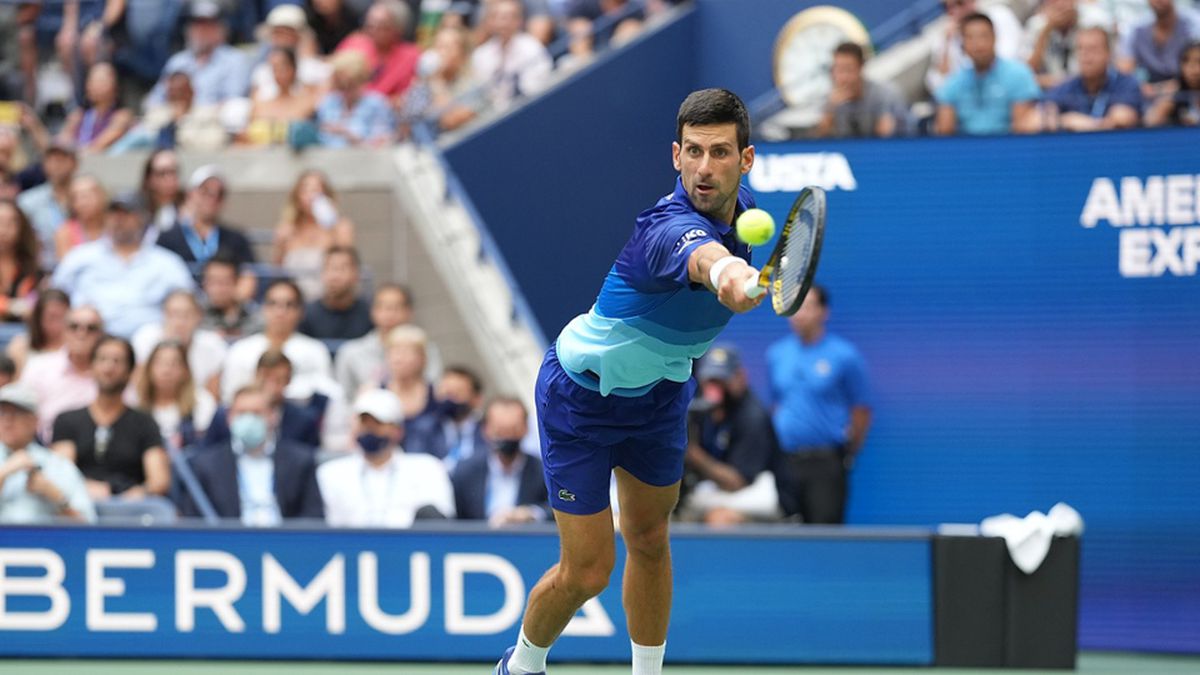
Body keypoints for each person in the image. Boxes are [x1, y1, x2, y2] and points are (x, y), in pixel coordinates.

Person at [494, 89, 764, 675]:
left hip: (662, 397)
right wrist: (731, 275)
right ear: (675, 155)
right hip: (579, 399)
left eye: (720, 152)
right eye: (692, 151)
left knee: (648, 537)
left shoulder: (747, 212)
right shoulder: (663, 227)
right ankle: (520, 666)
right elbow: (704, 261)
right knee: (587, 571)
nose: (703, 168)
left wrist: (738, 269)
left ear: (745, 161)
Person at [766, 286, 872, 525]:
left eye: (808, 305)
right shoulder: (777, 355)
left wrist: (849, 450)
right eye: (795, 305)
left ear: (824, 312)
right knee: (786, 533)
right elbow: (776, 404)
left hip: (826, 463)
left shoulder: (844, 356)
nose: (800, 313)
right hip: (786, 462)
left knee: (824, 533)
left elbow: (861, 409)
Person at [51, 192, 195, 338]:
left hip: (148, 342)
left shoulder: (166, 262)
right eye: (113, 213)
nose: (118, 219)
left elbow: (188, 301)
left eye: (126, 213)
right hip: (90, 336)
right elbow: (54, 296)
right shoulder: (81, 256)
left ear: (142, 219)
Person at [178, 384, 324, 524]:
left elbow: (313, 517)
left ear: (273, 416)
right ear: (229, 418)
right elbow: (194, 522)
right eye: (241, 413)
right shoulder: (206, 465)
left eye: (256, 413)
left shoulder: (300, 461)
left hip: (285, 544)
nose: (248, 420)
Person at [51, 335, 171, 503]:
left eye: (117, 361)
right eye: (102, 359)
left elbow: (159, 480)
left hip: (130, 510)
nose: (109, 367)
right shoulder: (67, 420)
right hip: (78, 507)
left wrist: (135, 494)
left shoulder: (145, 423)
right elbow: (61, 474)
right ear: (91, 366)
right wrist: (89, 490)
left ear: (130, 372)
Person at [317, 388, 456, 527]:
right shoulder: (330, 473)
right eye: (364, 422)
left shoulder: (427, 469)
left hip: (408, 547)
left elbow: (440, 526)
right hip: (345, 547)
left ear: (398, 430)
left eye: (378, 423)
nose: (369, 429)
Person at [679, 345, 780, 527]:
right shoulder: (700, 412)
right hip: (711, 493)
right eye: (711, 381)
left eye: (722, 380)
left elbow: (737, 482)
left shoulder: (752, 417)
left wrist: (693, 454)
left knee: (719, 519)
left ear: (740, 377)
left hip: (755, 497)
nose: (717, 389)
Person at [221, 279, 336, 404]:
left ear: (301, 311)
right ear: (264, 308)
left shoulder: (316, 351)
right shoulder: (241, 350)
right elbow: (229, 396)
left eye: (289, 305)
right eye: (273, 304)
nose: (280, 312)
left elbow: (326, 394)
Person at [157, 165, 258, 302]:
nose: (212, 198)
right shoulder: (168, 238)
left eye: (219, 194)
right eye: (205, 192)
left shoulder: (237, 238)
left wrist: (225, 304)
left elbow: (248, 279)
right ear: (190, 194)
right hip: (180, 312)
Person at [0, 383, 96, 523]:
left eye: (16, 413)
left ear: (34, 421)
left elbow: (87, 526)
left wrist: (56, 496)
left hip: (42, 542)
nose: (7, 421)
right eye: (2, 413)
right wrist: (3, 474)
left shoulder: (57, 465)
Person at [935, 13, 1043, 136]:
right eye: (970, 38)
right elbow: (944, 133)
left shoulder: (1019, 74)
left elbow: (1022, 129)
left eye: (983, 36)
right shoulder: (953, 83)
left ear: (994, 37)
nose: (978, 44)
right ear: (963, 44)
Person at [452, 395, 549, 526]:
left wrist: (530, 513)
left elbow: (556, 510)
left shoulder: (542, 472)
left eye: (513, 430)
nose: (507, 438)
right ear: (485, 429)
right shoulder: (465, 471)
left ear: (525, 429)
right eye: (500, 431)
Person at [334, 283, 442, 397]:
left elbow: (433, 390)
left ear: (409, 312)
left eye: (396, 308)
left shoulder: (426, 350)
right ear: (372, 311)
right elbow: (343, 399)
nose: (389, 315)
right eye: (383, 307)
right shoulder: (351, 353)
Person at [144, 0, 250, 109]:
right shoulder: (178, 61)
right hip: (174, 119)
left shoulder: (235, 60)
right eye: (196, 25)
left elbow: (234, 102)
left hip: (212, 120)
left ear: (221, 29)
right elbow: (154, 99)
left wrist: (195, 112)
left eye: (207, 26)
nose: (200, 31)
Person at [20, 304, 104, 439]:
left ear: (101, 334)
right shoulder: (38, 366)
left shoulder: (110, 372)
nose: (81, 333)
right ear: (64, 330)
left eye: (91, 328)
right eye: (74, 326)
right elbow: (22, 414)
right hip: (45, 449)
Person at [272, 170, 356, 301]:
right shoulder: (286, 229)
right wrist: (280, 243)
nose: (311, 196)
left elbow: (346, 264)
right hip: (294, 300)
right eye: (305, 190)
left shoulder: (340, 227)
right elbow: (277, 270)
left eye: (317, 190)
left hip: (329, 299)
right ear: (297, 196)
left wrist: (332, 224)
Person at [131, 289, 228, 395]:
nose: (180, 322)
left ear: (199, 316)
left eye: (187, 315)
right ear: (164, 315)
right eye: (174, 314)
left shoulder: (213, 345)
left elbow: (213, 395)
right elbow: (139, 387)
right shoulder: (145, 338)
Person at [1046, 27, 1144, 132]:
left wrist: (1075, 122)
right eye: (1080, 49)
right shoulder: (1067, 86)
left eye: (1092, 49)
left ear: (1108, 54)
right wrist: (1059, 120)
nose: (1085, 56)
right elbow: (1044, 117)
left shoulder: (1126, 84)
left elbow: (1122, 120)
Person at [926, 0, 1024, 95]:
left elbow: (1008, 59)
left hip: (1008, 90)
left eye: (960, 3)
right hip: (969, 100)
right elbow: (938, 86)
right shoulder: (945, 39)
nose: (955, 11)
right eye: (947, 7)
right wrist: (947, 44)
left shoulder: (1000, 16)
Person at [472, 0, 553, 111]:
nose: (503, 23)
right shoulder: (481, 55)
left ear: (519, 20)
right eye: (497, 17)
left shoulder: (532, 47)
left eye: (508, 17)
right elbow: (482, 93)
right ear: (489, 22)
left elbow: (537, 87)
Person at [814, 42, 906, 139]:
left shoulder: (883, 94)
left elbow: (888, 137)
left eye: (848, 69)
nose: (843, 77)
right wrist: (830, 110)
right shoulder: (829, 100)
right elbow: (817, 140)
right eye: (839, 70)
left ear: (861, 68)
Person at [136, 340, 217, 450]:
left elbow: (208, 446)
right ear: (149, 369)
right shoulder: (135, 403)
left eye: (174, 364)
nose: (166, 370)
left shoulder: (202, 401)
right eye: (160, 363)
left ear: (186, 371)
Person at [335, 0, 421, 101]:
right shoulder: (354, 44)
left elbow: (407, 98)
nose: (373, 30)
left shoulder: (411, 56)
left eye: (381, 26)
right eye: (369, 25)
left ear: (398, 28)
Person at [380, 324, 442, 457]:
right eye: (394, 351)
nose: (399, 358)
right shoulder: (373, 393)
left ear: (422, 358)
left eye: (406, 352)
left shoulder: (437, 394)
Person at [1022, 0, 1114, 89]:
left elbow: (1106, 67)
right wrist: (1046, 30)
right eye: (1055, 0)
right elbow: (1026, 74)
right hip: (1047, 92)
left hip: (1088, 89)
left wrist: (1051, 81)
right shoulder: (1036, 25)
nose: (1061, 4)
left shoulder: (1094, 20)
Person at [316, 49, 397, 148]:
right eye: (340, 86)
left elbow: (381, 144)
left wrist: (348, 134)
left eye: (350, 85)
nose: (344, 91)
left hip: (366, 160)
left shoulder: (377, 104)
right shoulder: (328, 103)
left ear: (360, 81)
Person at [1117, 0, 1200, 94]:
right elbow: (1124, 72)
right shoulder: (1137, 29)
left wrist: (1176, 86)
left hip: (1187, 92)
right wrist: (1141, 86)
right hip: (1146, 95)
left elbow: (1195, 68)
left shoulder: (1194, 25)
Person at [16, 140, 75, 268]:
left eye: (61, 159)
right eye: (50, 160)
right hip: (42, 267)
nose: (56, 165)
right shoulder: (27, 200)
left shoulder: (85, 196)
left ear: (74, 163)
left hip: (80, 265)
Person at [57, 62, 134, 153]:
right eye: (92, 80)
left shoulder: (122, 116)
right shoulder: (77, 116)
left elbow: (97, 147)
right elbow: (60, 144)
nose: (95, 85)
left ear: (116, 86)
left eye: (101, 81)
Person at [298, 246, 373, 340]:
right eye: (329, 268)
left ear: (356, 274)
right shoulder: (306, 315)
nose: (334, 276)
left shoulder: (370, 314)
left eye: (342, 269)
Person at [6, 288, 69, 376]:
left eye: (62, 317)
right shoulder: (20, 346)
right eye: (52, 317)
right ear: (39, 317)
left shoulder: (75, 348)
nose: (57, 324)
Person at [199, 253, 263, 339]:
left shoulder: (252, 314)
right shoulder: (197, 315)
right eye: (212, 281)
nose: (217, 289)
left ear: (236, 283)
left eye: (223, 282)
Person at [435, 364, 487, 471]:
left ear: (477, 399)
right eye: (445, 392)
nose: (449, 400)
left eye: (457, 393)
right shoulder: (424, 431)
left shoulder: (488, 432)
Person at [0, 199, 41, 323]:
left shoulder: (31, 265)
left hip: (21, 332)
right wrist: (10, 306)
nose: (3, 230)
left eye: (10, 223)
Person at [54, 174, 109, 262]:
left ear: (102, 196)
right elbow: (67, 266)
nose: (82, 203)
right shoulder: (65, 232)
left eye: (87, 196)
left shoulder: (115, 227)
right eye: (76, 198)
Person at [1147, 40, 1200, 125]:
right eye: (1186, 61)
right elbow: (1150, 122)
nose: (1194, 70)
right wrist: (1164, 106)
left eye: (1199, 61)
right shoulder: (1173, 92)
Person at [138, 149, 184, 243]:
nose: (169, 179)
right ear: (149, 178)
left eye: (173, 172)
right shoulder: (137, 211)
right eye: (162, 173)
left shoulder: (187, 211)